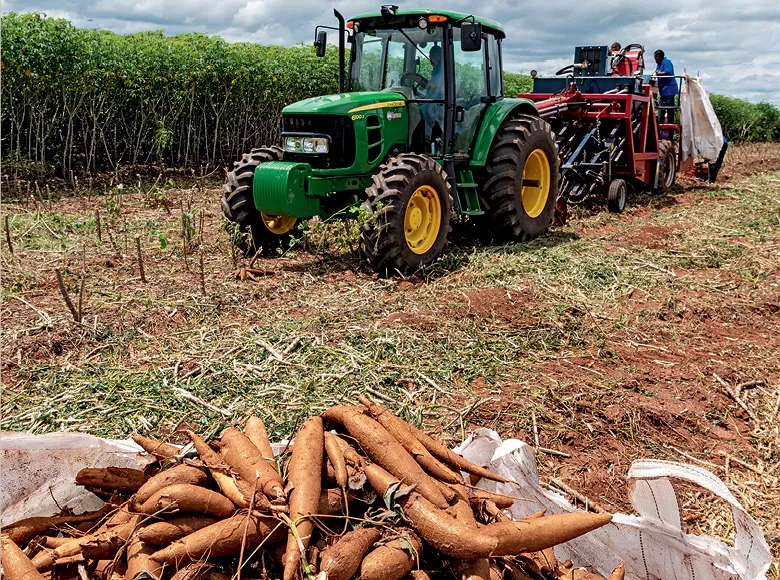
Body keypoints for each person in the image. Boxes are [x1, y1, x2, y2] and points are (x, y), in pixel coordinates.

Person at [653, 49, 678, 124]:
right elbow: (656, 72)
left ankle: (670, 122)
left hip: (669, 89)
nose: (655, 60)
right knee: (662, 107)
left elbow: (668, 72)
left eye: (655, 58)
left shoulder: (667, 62)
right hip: (663, 89)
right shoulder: (659, 64)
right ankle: (660, 122)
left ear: (659, 56)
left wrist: (658, 74)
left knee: (669, 108)